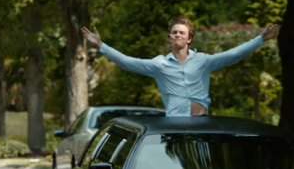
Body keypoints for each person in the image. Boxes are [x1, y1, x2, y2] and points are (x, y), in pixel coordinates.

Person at [81, 17, 280, 117]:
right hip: (174, 124)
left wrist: (260, 39)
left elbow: (234, 55)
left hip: (201, 123)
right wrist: (101, 46)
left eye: (181, 33)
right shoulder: (159, 64)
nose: (177, 35)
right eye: (174, 32)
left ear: (189, 39)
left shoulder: (203, 61)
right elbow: (127, 62)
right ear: (169, 38)